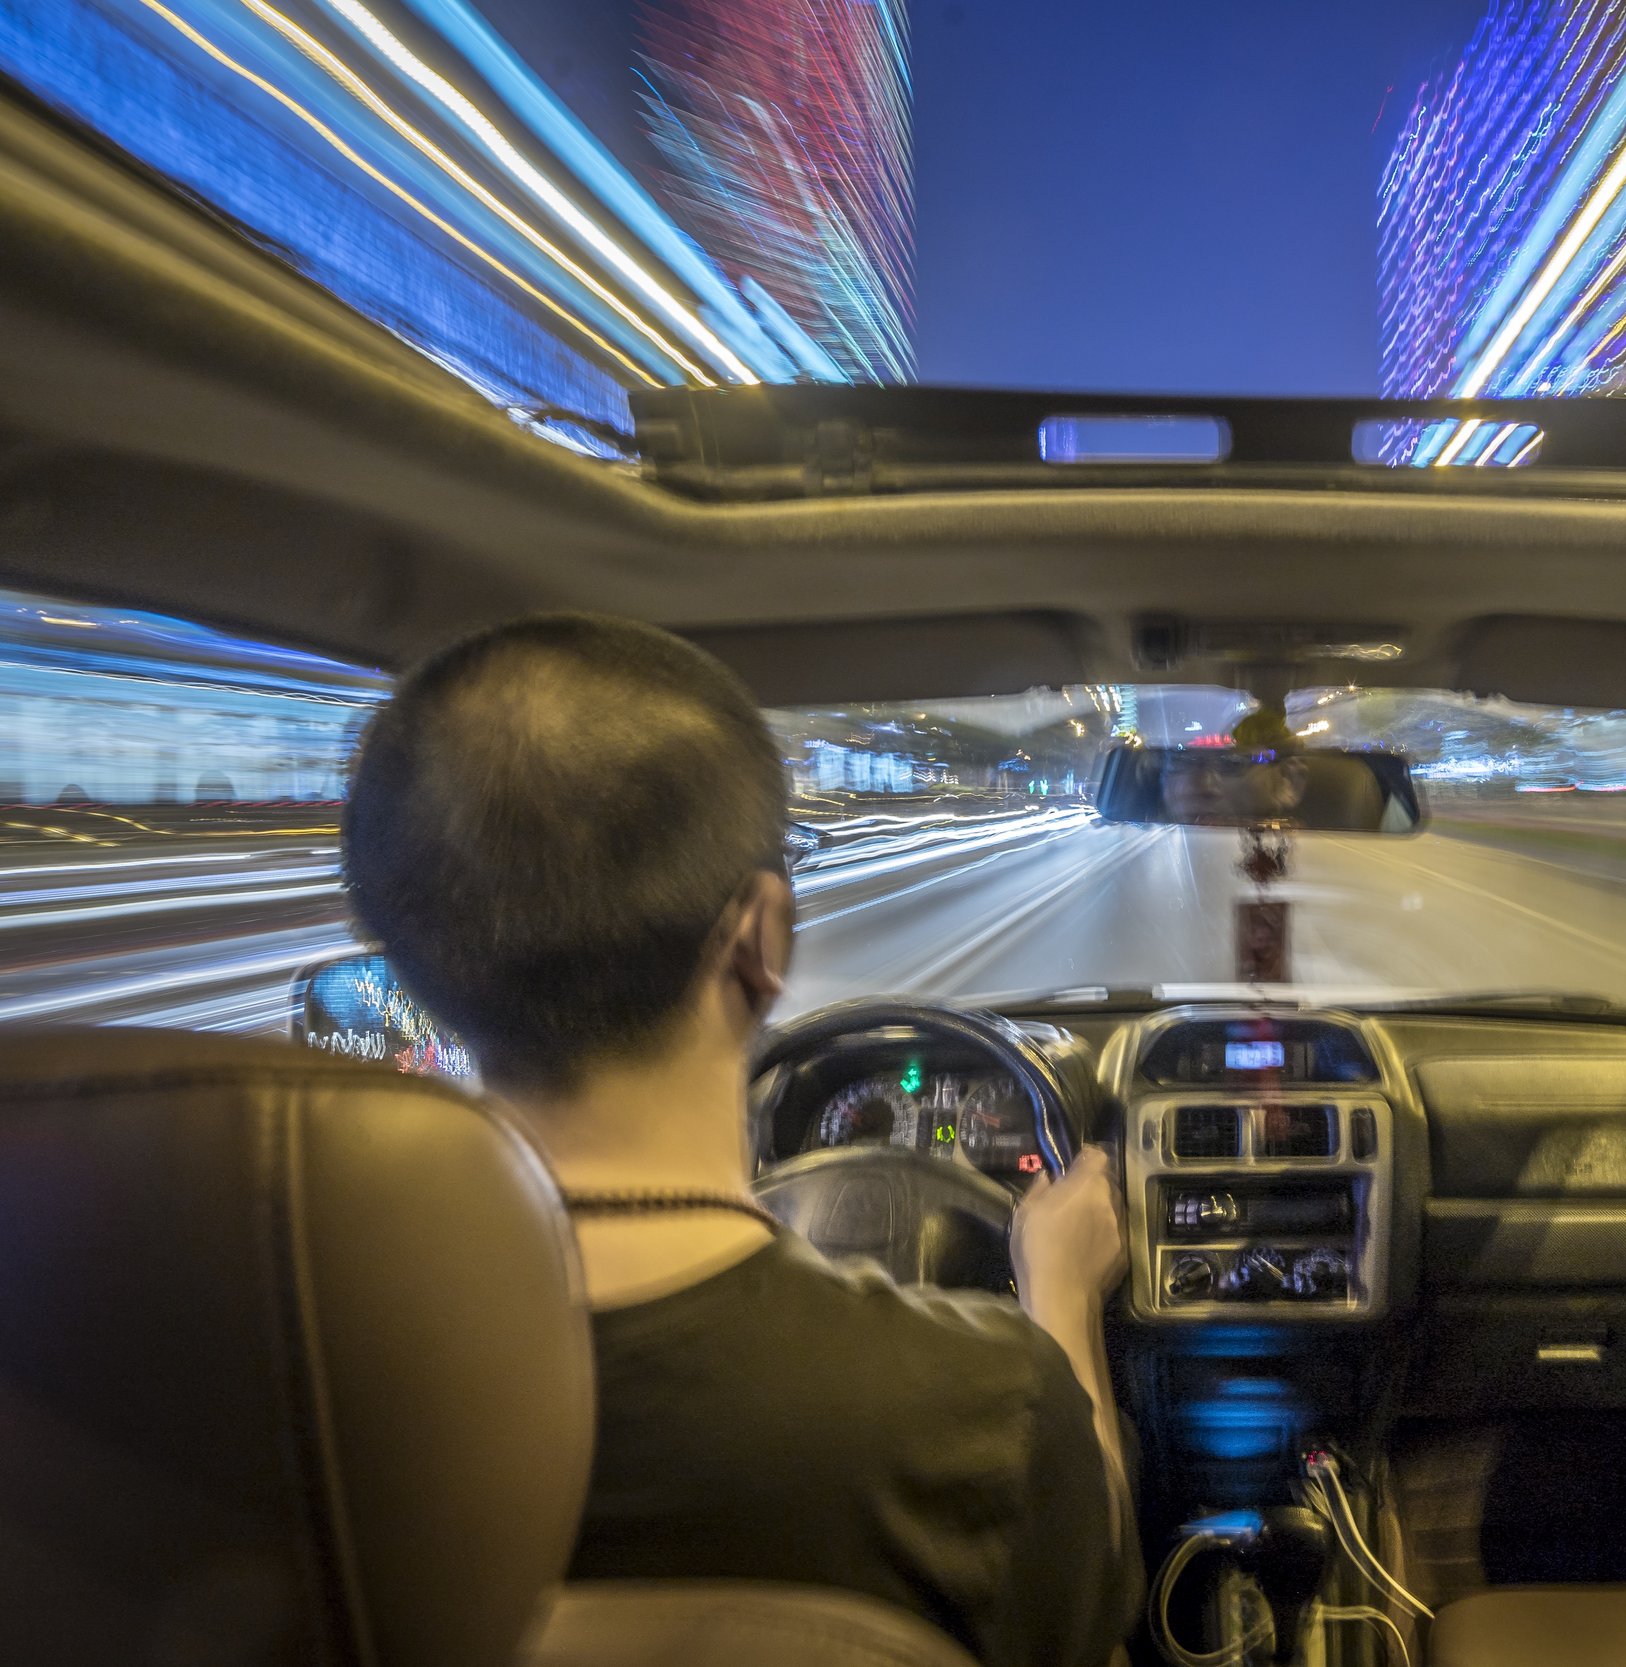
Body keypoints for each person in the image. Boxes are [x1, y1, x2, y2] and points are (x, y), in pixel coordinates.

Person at [341, 614, 1139, 1667]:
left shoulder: (299, 1392)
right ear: (762, 937)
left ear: (403, 959)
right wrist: (1063, 1301)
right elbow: (1091, 1613)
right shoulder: (984, 1403)